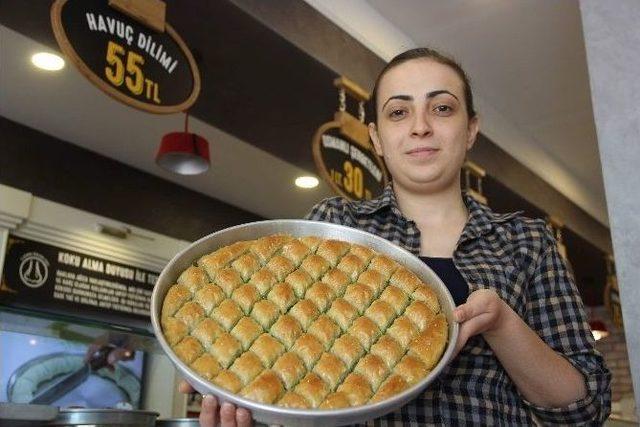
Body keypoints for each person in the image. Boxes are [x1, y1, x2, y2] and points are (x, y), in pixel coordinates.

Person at [181, 47, 611, 426]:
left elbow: (584, 408)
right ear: (377, 138)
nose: (420, 127)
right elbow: (283, 353)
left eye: (442, 108)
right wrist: (250, 406)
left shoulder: (525, 240)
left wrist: (501, 323)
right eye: (398, 112)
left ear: (472, 129)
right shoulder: (335, 226)